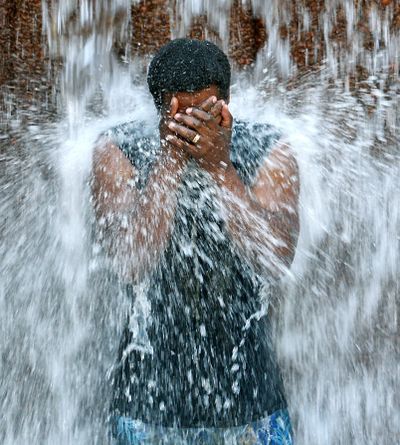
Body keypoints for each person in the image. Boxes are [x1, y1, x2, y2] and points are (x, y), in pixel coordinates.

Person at [91, 38, 299, 445]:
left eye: (206, 113)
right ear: (160, 110)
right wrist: (170, 160)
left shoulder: (271, 150)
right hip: (145, 406)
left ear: (226, 103)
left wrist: (220, 166)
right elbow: (131, 262)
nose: (195, 129)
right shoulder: (117, 150)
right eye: (181, 117)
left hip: (251, 403)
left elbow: (275, 260)